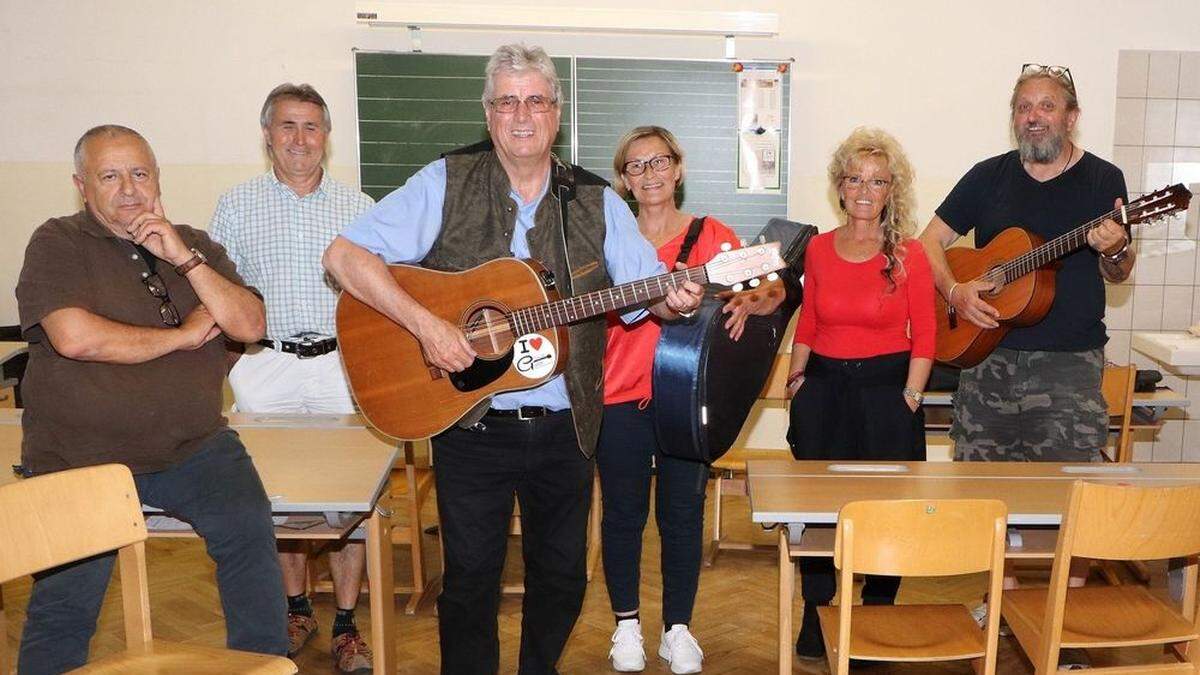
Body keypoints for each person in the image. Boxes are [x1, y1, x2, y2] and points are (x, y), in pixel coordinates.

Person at [322, 44, 703, 675]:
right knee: (469, 580)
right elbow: (344, 257)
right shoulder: (445, 181)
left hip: (566, 428)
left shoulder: (595, 199)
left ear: (556, 112)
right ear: (488, 112)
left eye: (535, 100)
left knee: (562, 579)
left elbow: (650, 299)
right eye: (507, 101)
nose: (521, 115)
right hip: (471, 423)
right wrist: (425, 325)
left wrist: (681, 299)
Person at [15, 124, 285, 674]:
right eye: (109, 176)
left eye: (140, 173)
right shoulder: (57, 242)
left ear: (158, 178)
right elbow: (76, 337)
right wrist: (184, 336)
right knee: (67, 599)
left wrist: (183, 257)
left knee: (251, 541)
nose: (129, 189)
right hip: (80, 454)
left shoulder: (194, 245)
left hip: (193, 448)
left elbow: (249, 323)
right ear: (81, 186)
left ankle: (262, 666)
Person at [918, 66, 1134, 660]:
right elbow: (928, 243)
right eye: (1024, 107)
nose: (1034, 116)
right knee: (988, 493)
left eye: (1047, 105)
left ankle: (1063, 613)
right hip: (985, 360)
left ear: (1071, 115)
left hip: (1068, 366)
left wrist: (1115, 249)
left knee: (1071, 497)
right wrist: (957, 292)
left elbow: (1119, 271)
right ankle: (1003, 603)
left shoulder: (1102, 180)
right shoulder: (987, 177)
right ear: (1014, 116)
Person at [599, 125, 784, 674]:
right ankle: (626, 626)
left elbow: (771, 285)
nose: (650, 174)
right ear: (624, 180)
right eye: (637, 166)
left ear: (678, 170)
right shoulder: (608, 238)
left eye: (659, 162)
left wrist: (754, 305)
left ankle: (678, 628)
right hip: (617, 396)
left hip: (685, 401)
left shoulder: (710, 234)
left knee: (682, 515)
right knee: (623, 517)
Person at [209, 83, 375, 672]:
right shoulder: (235, 206)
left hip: (341, 367)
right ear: (267, 135)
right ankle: (297, 606)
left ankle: (350, 624)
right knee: (275, 497)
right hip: (265, 366)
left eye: (310, 126)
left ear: (326, 136)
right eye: (287, 126)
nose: (299, 139)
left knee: (352, 498)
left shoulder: (359, 209)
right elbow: (217, 293)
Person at [786, 127, 935, 660]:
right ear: (840, 187)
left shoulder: (910, 254)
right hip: (823, 390)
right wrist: (796, 383)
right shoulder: (819, 250)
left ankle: (876, 616)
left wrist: (911, 398)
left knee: (883, 512)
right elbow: (809, 319)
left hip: (887, 393)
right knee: (822, 512)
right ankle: (817, 613)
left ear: (892, 189)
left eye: (878, 180)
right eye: (855, 179)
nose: (866, 190)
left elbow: (927, 334)